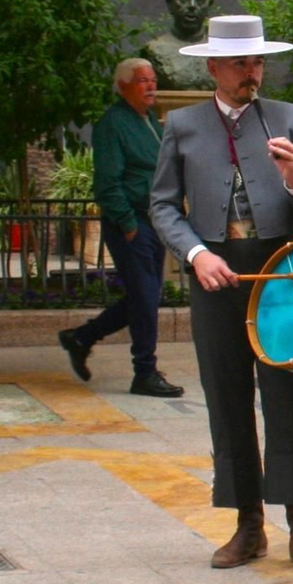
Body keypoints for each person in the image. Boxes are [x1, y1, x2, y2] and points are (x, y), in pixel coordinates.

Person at [148, 13, 293, 574]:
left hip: (281, 274)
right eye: (240, 63)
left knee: (288, 396)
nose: (251, 73)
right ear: (214, 67)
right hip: (216, 276)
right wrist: (196, 254)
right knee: (227, 397)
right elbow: (162, 203)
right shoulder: (183, 125)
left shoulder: (290, 118)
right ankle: (246, 525)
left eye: (257, 62)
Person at [58, 58, 184, 397]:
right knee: (145, 298)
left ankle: (81, 337)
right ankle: (144, 371)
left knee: (145, 297)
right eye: (142, 80)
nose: (150, 86)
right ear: (123, 86)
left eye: (152, 79)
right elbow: (107, 185)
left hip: (155, 220)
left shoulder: (152, 124)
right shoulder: (113, 124)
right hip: (132, 223)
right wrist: (128, 225)